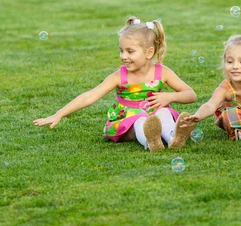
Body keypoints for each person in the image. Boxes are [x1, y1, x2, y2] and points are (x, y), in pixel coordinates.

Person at [34, 16, 197, 151]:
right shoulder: (119, 76)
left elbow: (191, 94)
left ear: (149, 53)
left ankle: (173, 138)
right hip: (128, 119)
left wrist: (170, 96)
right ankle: (151, 142)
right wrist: (59, 114)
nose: (123, 56)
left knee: (164, 114)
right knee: (141, 122)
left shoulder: (163, 72)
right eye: (121, 50)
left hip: (155, 112)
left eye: (130, 51)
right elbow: (90, 96)